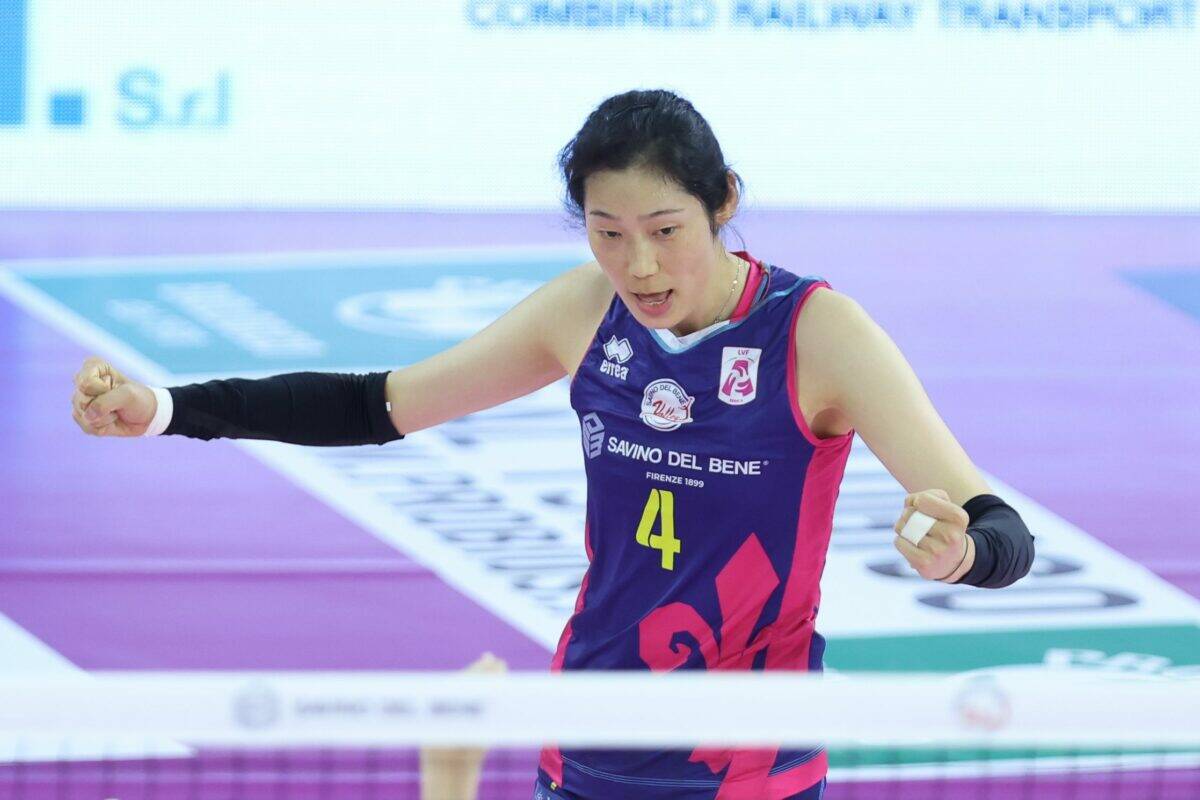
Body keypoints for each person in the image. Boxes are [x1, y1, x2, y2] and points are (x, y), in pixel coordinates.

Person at [70, 89, 1035, 800]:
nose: (638, 265)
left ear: (724, 201)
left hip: (747, 761)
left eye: (664, 229)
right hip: (586, 736)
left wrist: (960, 553)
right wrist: (165, 408)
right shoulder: (586, 312)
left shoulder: (817, 333)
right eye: (607, 233)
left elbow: (998, 528)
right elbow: (376, 404)